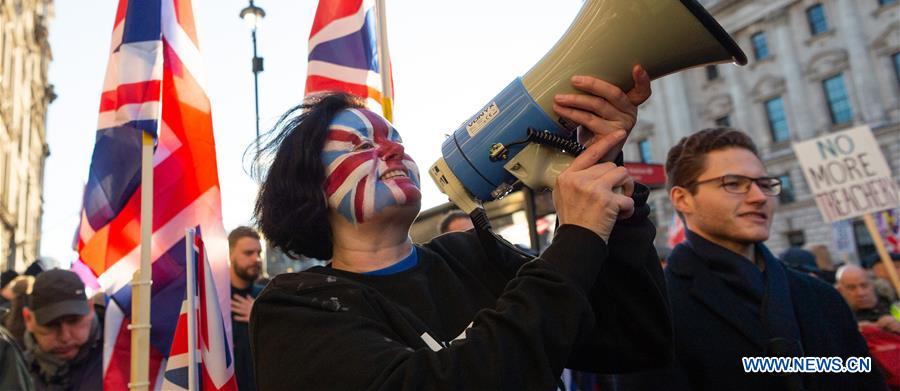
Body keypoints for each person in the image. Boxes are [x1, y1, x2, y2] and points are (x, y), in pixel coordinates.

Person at [250, 70, 673, 390]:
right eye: (361, 145)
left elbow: (633, 338)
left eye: (395, 139)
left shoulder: (470, 255)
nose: (394, 148)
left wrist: (604, 180)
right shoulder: (296, 309)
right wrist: (576, 239)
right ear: (311, 188)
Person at [661, 127, 883, 390]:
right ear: (683, 199)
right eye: (733, 184)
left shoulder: (823, 297)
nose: (759, 197)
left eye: (764, 184)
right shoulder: (658, 306)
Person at [22, 269, 101, 390]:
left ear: (90, 308)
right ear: (28, 319)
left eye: (73, 320)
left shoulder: (117, 358)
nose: (65, 337)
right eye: (51, 324)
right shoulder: (13, 370)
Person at [229, 226, 264, 391]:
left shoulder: (266, 297)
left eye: (259, 253)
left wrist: (259, 316)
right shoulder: (215, 298)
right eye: (248, 253)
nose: (256, 259)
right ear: (230, 255)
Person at [837, 264, 900, 332]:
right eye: (851, 288)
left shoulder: (893, 304)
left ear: (872, 285)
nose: (860, 293)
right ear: (841, 291)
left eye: (864, 285)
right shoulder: (838, 316)